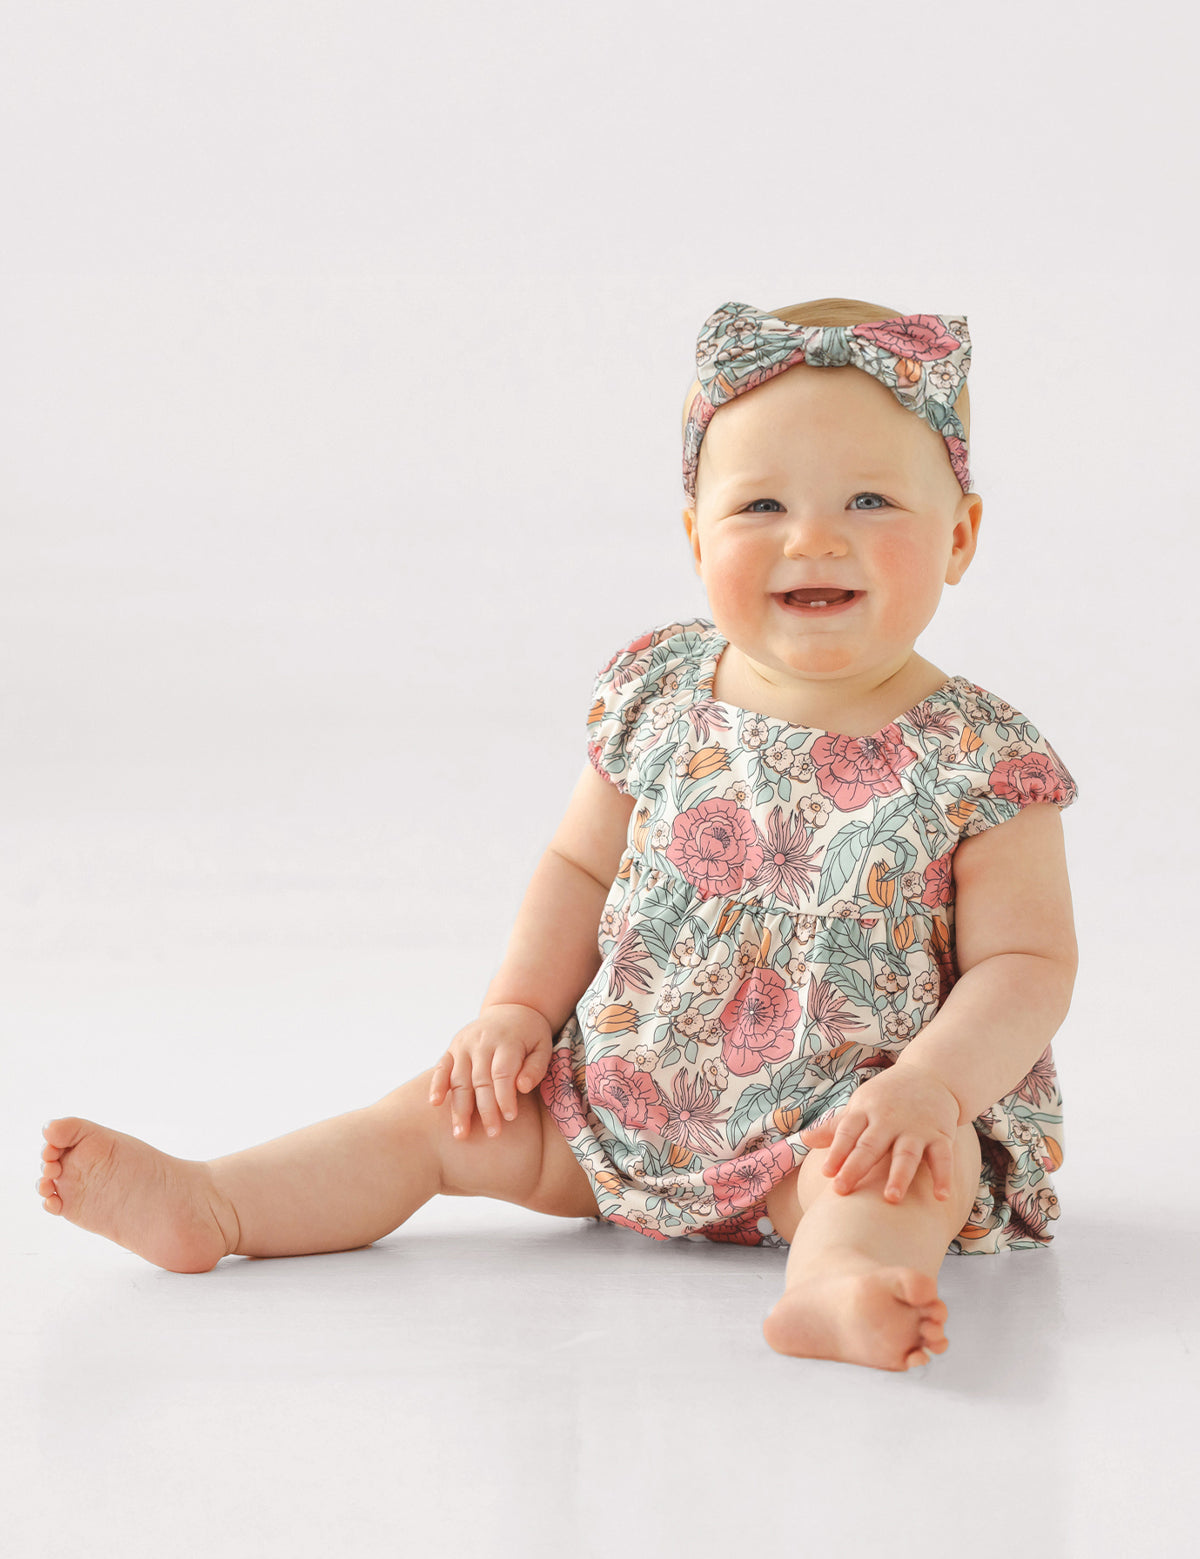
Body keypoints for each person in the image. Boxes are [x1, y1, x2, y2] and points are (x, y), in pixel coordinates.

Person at [34, 296, 1081, 1375]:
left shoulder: (981, 759)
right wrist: (517, 1009)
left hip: (836, 1127)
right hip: (617, 1101)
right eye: (761, 502)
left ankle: (837, 1278)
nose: (812, 536)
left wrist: (935, 1086)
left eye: (869, 499)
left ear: (959, 535)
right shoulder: (660, 691)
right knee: (434, 1115)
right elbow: (580, 865)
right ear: (694, 537)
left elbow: (1027, 960)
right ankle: (220, 1200)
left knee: (909, 1167)